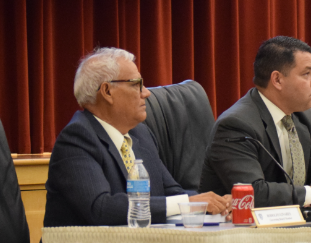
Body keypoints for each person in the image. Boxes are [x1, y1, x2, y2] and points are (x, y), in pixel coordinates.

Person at [44, 48, 231, 227]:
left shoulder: (140, 134)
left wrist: (216, 203)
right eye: (136, 85)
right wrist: (188, 203)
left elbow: (171, 192)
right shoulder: (77, 139)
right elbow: (101, 208)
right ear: (107, 91)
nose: (146, 93)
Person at [199, 36, 311, 207]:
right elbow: (252, 193)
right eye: (306, 74)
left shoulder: (306, 118)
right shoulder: (236, 125)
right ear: (277, 80)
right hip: (234, 223)